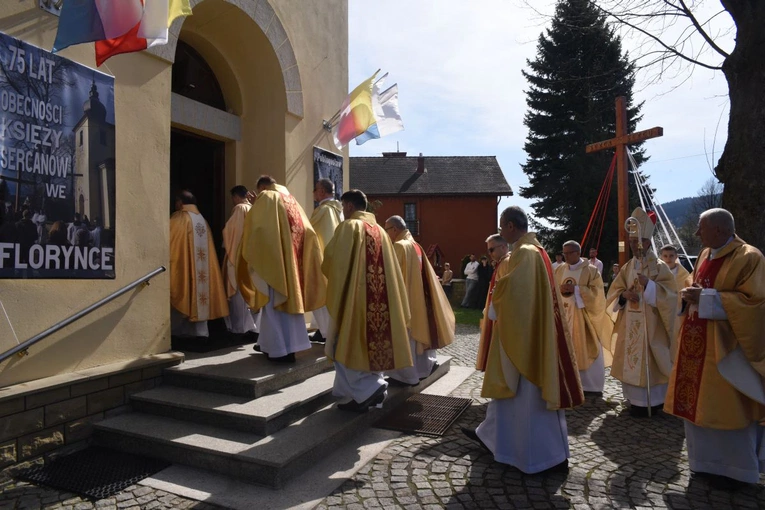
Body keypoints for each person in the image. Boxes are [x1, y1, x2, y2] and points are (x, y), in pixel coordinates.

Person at [463, 206, 583, 474]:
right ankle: (509, 446)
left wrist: (496, 294)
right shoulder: (532, 250)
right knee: (520, 402)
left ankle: (539, 458)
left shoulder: (526, 253)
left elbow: (518, 293)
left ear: (509, 226)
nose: (500, 229)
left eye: (501, 225)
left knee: (527, 399)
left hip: (527, 339)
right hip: (530, 332)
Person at [664, 208, 765, 487]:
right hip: (696, 346)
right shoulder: (705, 255)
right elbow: (695, 285)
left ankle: (737, 471)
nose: (697, 233)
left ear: (719, 229)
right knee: (699, 406)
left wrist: (706, 297)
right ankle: (704, 464)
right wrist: (689, 294)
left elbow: (756, 304)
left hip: (728, 351)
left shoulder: (750, 257)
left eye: (701, 228)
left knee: (728, 407)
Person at [322, 190, 412, 411]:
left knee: (344, 344)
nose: (343, 212)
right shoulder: (381, 230)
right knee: (374, 347)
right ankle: (362, 395)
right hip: (382, 302)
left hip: (357, 300)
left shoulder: (349, 227)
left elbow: (333, 262)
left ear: (349, 207)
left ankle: (369, 389)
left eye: (343, 207)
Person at [236, 175, 326, 362]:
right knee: (287, 309)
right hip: (292, 266)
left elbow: (259, 229)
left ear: (262, 188)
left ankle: (279, 350)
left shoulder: (268, 198)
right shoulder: (291, 200)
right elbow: (308, 232)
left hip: (274, 265)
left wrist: (256, 207)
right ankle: (286, 347)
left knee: (273, 307)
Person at [606, 207, 677, 417]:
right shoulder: (628, 267)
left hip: (651, 324)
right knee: (630, 359)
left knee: (651, 360)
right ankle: (635, 400)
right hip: (631, 322)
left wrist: (650, 287)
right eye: (630, 242)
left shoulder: (660, 267)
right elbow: (615, 291)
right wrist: (623, 296)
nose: (633, 246)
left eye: (637, 242)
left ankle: (653, 401)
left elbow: (671, 296)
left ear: (646, 242)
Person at [384, 215, 455, 386]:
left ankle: (406, 376)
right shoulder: (415, 245)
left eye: (386, 230)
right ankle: (421, 370)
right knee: (418, 338)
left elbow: (394, 277)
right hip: (418, 298)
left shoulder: (400, 246)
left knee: (407, 339)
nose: (386, 234)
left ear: (394, 229)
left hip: (406, 300)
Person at [555, 240, 612, 395]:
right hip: (564, 316)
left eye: (569, 253)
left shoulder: (591, 271)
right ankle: (567, 382)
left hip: (583, 318)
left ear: (578, 253)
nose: (566, 256)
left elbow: (598, 294)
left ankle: (590, 386)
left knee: (587, 347)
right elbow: (552, 289)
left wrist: (577, 290)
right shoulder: (559, 270)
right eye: (564, 253)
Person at [169, 190, 229, 338]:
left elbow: (169, 242)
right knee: (200, 293)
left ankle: (180, 332)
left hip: (187, 267)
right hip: (202, 270)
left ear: (180, 202)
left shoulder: (179, 218)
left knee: (187, 291)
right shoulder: (201, 219)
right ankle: (200, 332)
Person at [309, 178, 344, 343]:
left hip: (322, 259)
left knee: (320, 294)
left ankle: (326, 332)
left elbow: (309, 233)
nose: (314, 193)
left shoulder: (323, 210)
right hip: (336, 259)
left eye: (315, 189)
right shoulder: (338, 209)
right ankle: (320, 329)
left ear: (322, 191)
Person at [222, 185, 259, 339]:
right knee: (253, 293)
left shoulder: (240, 209)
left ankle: (241, 328)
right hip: (253, 258)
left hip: (239, 258)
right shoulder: (254, 209)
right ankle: (255, 327)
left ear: (236, 197)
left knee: (239, 294)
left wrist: (225, 245)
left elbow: (231, 233)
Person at [475, 233, 510, 372]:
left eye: (491, 250)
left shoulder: (507, 263)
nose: (489, 254)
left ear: (503, 247)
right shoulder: (502, 262)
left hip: (502, 315)